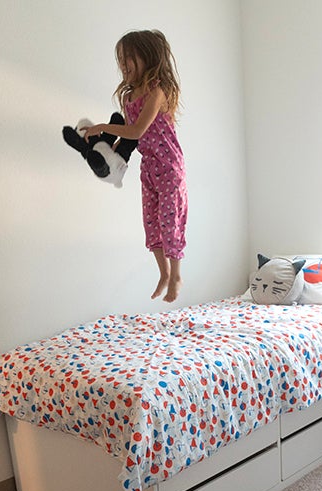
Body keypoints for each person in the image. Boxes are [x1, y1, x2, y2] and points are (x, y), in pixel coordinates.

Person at [83, 29, 187, 303]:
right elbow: (130, 135)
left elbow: (138, 130)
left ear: (148, 57)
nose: (123, 64)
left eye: (129, 57)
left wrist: (103, 127)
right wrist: (112, 153)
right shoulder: (129, 96)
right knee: (151, 223)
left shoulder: (158, 91)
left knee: (169, 221)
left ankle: (176, 275)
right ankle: (163, 273)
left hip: (168, 166)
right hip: (149, 167)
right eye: (121, 59)